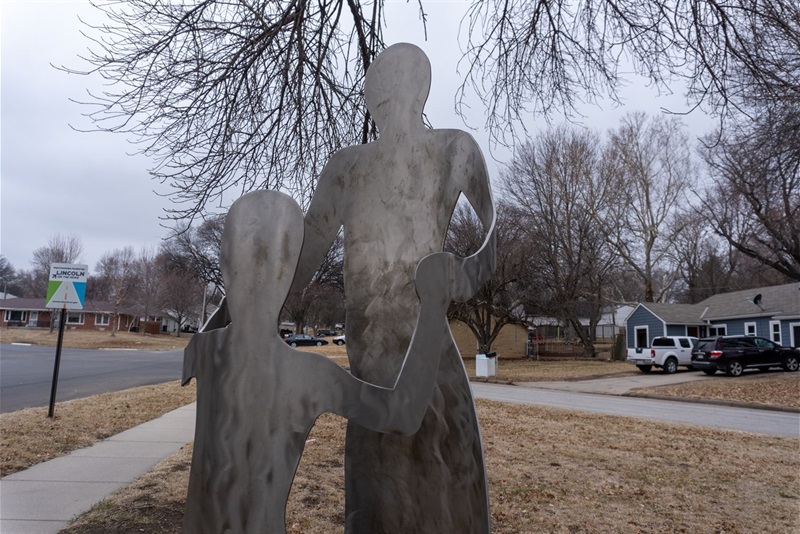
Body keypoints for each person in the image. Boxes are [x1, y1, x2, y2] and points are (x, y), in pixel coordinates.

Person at [181, 189, 481, 534]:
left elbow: (206, 334)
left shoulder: (203, 351)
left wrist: (231, 298)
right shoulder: (307, 376)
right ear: (289, 272)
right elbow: (403, 413)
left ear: (225, 264)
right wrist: (431, 306)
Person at [290, 43, 496, 532]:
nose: (377, 90)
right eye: (373, 81)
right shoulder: (346, 167)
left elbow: (492, 238)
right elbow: (299, 259)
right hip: (371, 365)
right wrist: (234, 316)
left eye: (388, 79)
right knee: (375, 499)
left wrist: (457, 274)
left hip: (428, 356)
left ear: (417, 87)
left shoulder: (454, 149)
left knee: (444, 488)